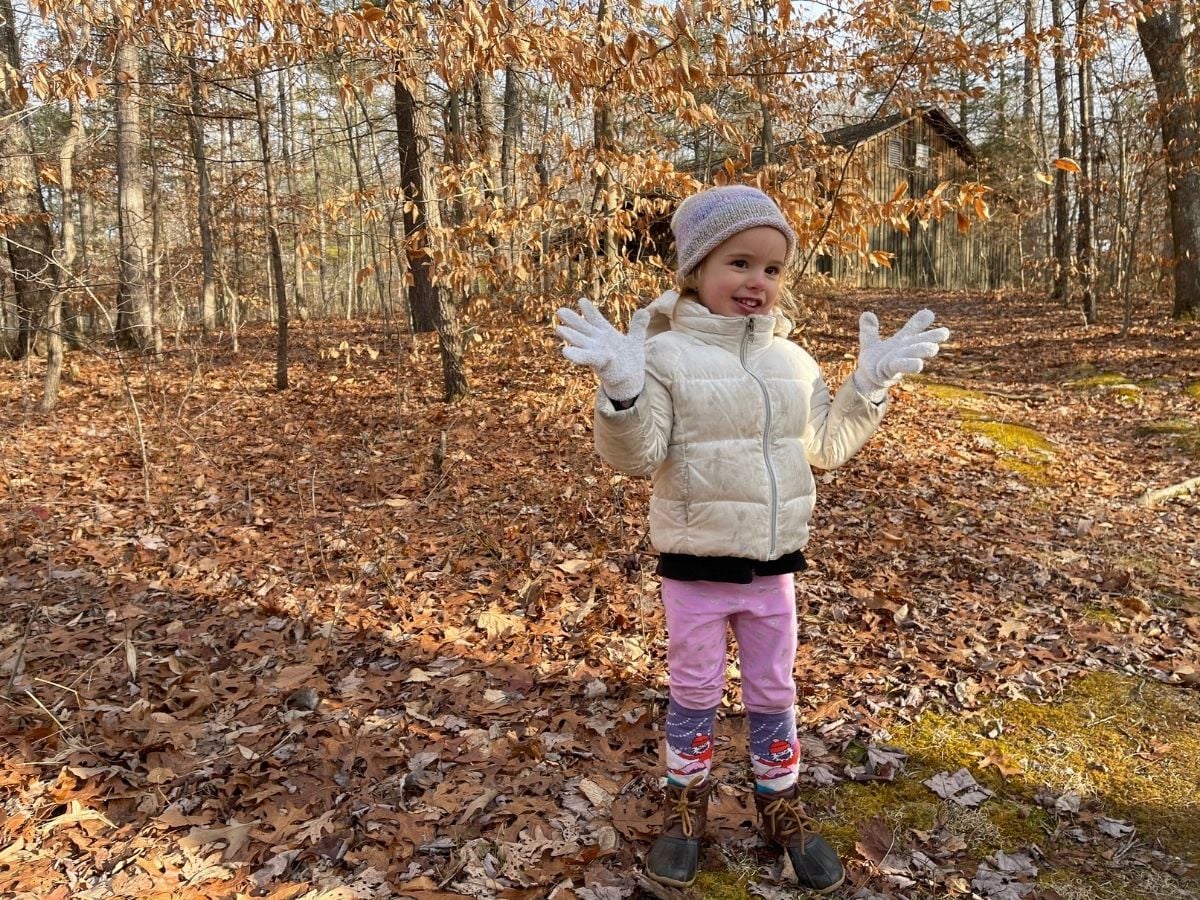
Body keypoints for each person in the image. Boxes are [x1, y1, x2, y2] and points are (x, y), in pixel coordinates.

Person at [555, 185, 949, 893]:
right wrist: (621, 391)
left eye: (772, 269)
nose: (757, 282)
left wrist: (869, 386)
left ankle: (779, 803)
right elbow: (636, 454)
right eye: (740, 262)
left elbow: (826, 445)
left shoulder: (792, 362)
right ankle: (686, 806)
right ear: (697, 267)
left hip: (774, 569)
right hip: (695, 566)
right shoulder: (665, 355)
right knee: (696, 689)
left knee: (773, 688)